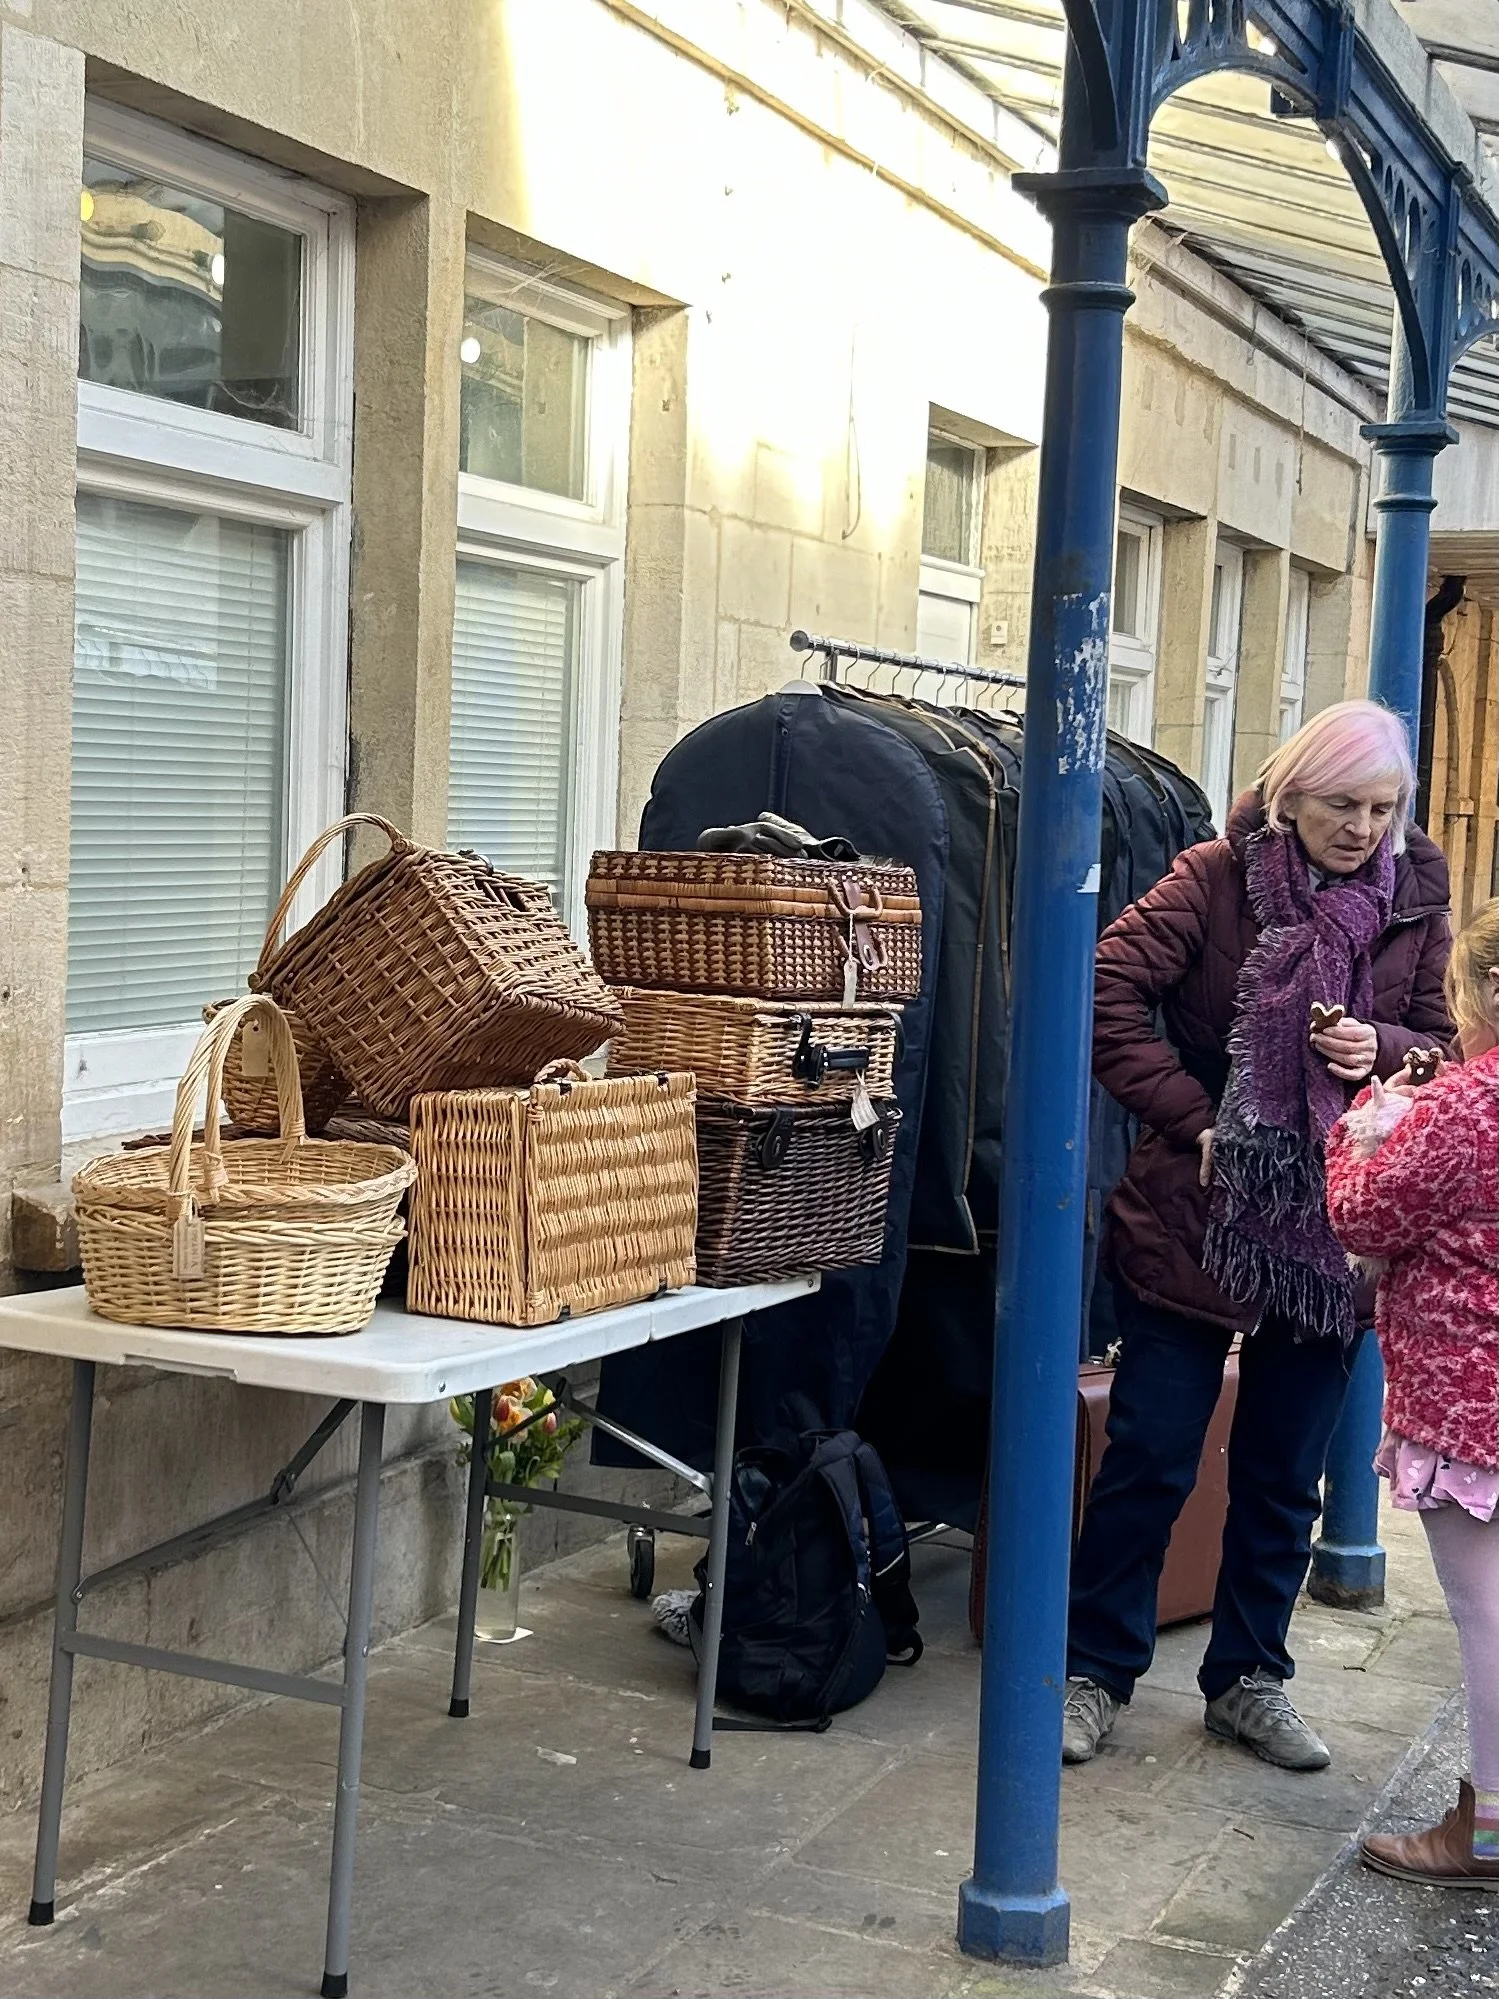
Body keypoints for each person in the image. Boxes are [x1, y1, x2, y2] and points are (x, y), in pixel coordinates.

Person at [1063, 700, 1453, 1773]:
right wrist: (1195, 1117)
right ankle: (1092, 1671)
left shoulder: (1415, 890)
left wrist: (1382, 1047)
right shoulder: (1212, 875)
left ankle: (1248, 1679)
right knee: (1148, 1457)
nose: (1361, 829)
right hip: (1197, 1216)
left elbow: (1441, 1038)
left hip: (1334, 1228)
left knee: (1285, 1475)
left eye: (1380, 808)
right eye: (1340, 805)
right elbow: (1101, 988)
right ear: (1289, 794)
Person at [1325, 898, 1498, 1886]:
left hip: (1468, 1403)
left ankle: (1483, 1832)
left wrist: (1366, 1113)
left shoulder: (1460, 1109)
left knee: (1484, 1620)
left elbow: (1361, 1212)